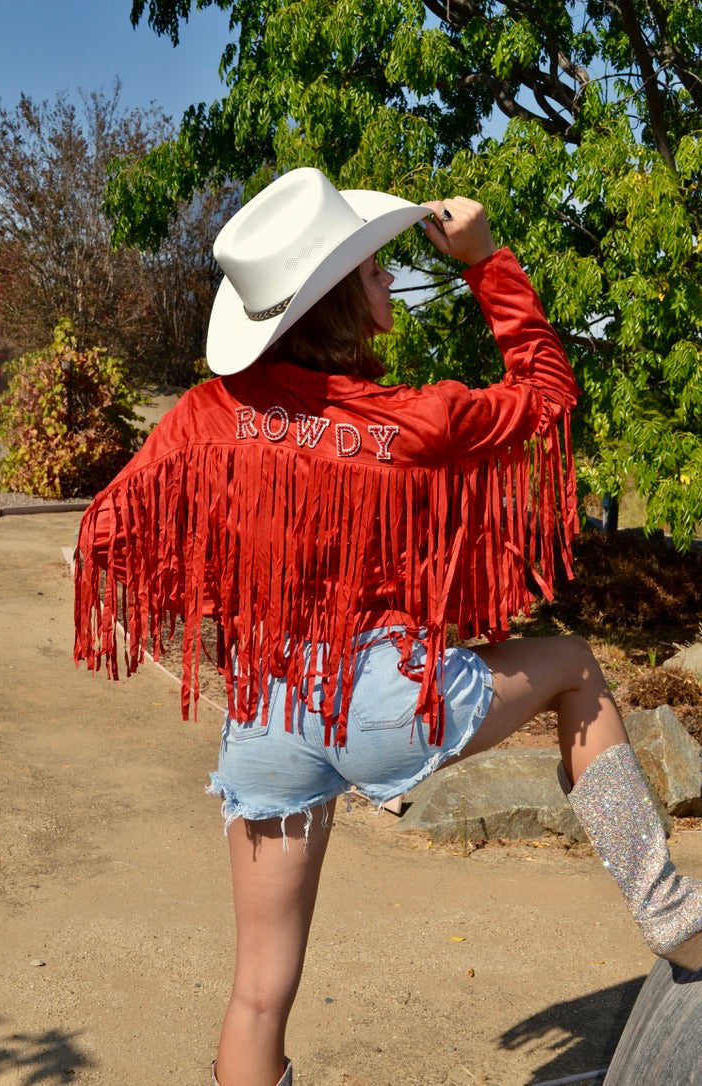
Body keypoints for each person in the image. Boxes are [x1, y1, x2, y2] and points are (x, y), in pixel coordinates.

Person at [74, 168, 702, 1086]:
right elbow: (547, 395)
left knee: (257, 992)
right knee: (573, 663)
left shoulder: (208, 416)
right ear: (335, 300)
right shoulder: (416, 420)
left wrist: (228, 587)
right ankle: (672, 916)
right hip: (383, 701)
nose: (390, 279)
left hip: (267, 720)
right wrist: (485, 262)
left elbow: (105, 536)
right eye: (373, 271)